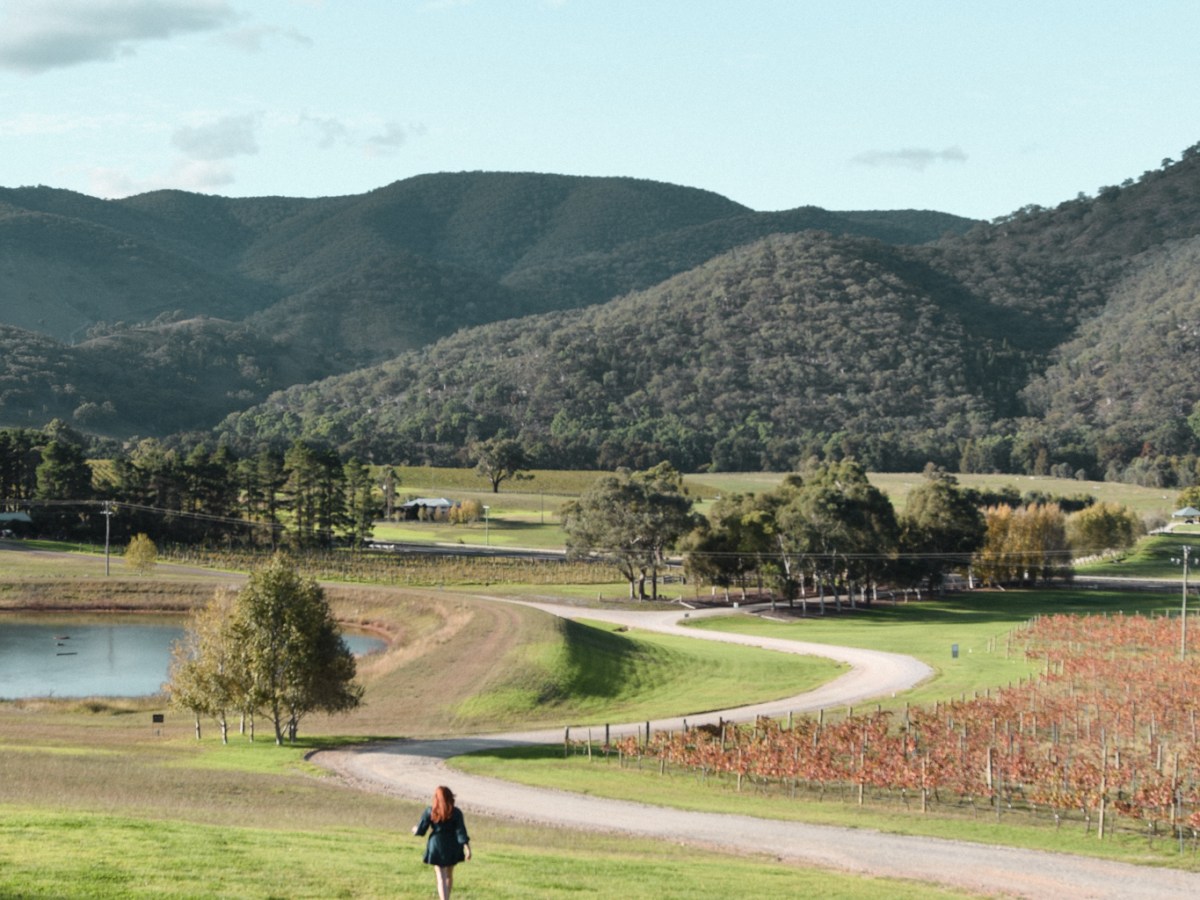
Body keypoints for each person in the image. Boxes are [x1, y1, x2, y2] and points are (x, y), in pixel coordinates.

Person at [412, 785, 471, 899]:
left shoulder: (431, 811)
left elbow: (421, 829)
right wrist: (467, 848)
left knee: (441, 876)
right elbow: (461, 832)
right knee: (449, 874)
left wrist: (415, 830)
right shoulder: (456, 813)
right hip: (452, 845)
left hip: (436, 845)